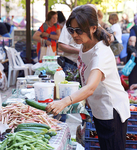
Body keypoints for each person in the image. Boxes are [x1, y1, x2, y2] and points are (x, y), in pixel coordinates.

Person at [46, 5, 130, 150]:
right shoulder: (84, 45)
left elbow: (90, 87)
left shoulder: (101, 53)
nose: (74, 34)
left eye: (79, 30)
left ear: (93, 28)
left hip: (112, 109)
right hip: (99, 108)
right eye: (71, 30)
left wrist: (64, 102)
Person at [127, 13, 137, 87]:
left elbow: (132, 40)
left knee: (133, 77)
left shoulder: (134, 28)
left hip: (135, 56)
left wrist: (133, 51)